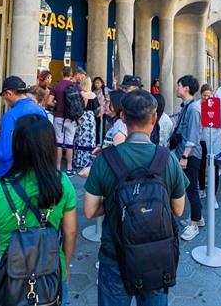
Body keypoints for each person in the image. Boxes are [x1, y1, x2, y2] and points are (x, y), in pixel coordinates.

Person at [84, 90, 186, 306]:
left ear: (122, 117)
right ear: (154, 117)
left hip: (114, 255)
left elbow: (90, 210)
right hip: (156, 256)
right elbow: (178, 209)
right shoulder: (167, 159)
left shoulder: (105, 160)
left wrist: (116, 202)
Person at [0, 115, 77, 306]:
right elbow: (70, 233)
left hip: (6, 276)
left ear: (17, 145)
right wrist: (65, 264)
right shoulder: (63, 184)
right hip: (52, 273)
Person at [0, 76, 46, 178]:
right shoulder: (40, 110)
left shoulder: (10, 116)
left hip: (12, 173)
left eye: (4, 95)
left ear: (9, 93)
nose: (4, 99)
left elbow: (4, 153)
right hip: (36, 171)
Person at [172, 75, 203, 241]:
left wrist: (184, 156)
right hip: (184, 153)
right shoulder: (187, 106)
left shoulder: (193, 109)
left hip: (190, 155)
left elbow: (192, 135)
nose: (177, 89)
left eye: (178, 86)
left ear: (185, 88)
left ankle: (194, 224)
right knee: (190, 187)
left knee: (191, 189)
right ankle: (197, 218)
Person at [50, 66, 83, 176]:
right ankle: (69, 168)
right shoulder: (75, 86)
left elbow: (49, 102)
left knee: (58, 143)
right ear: (71, 74)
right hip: (71, 118)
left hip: (59, 117)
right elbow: (83, 98)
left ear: (61, 73)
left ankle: (57, 168)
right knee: (69, 143)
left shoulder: (56, 86)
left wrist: (56, 104)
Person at [197, 84, 221, 208]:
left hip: (215, 140)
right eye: (205, 96)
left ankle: (213, 197)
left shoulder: (217, 105)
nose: (207, 98)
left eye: (209, 95)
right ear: (201, 95)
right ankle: (202, 188)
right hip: (201, 141)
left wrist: (215, 121)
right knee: (201, 167)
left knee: (214, 169)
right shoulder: (197, 106)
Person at [74, 74, 98, 169]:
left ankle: (78, 160)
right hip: (90, 118)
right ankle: (88, 161)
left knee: (79, 138)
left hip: (81, 117)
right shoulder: (93, 95)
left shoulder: (80, 94)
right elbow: (96, 108)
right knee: (90, 139)